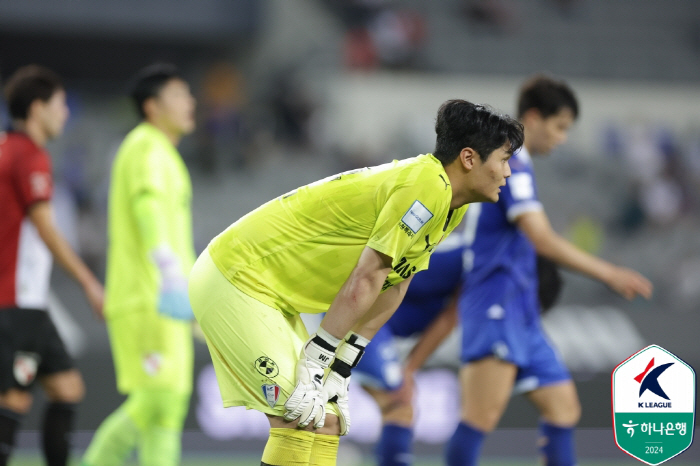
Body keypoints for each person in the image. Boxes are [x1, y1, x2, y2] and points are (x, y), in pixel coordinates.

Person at [188, 99, 524, 466]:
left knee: (328, 420)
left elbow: (396, 282)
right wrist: (318, 359)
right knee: (297, 416)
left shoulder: (452, 207)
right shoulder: (427, 185)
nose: (508, 172)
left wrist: (343, 363)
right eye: (503, 160)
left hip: (271, 295)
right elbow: (368, 275)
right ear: (469, 158)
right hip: (237, 277)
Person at [445, 75, 654, 466]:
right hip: (494, 304)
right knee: (480, 417)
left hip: (522, 311)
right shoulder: (509, 167)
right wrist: (608, 273)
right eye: (559, 127)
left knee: (563, 410)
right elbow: (541, 238)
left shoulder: (520, 167)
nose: (562, 139)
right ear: (534, 118)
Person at [81, 63, 197, 466]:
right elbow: (146, 206)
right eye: (179, 95)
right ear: (152, 106)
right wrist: (168, 272)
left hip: (170, 299)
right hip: (148, 296)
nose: (190, 102)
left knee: (168, 410)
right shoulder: (146, 146)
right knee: (157, 400)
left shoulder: (165, 154)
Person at [0, 65, 104, 466]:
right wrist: (89, 283)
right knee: (13, 398)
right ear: (37, 107)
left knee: (67, 388)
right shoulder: (29, 154)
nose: (65, 113)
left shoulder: (7, 148)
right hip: (17, 301)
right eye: (60, 105)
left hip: (28, 303)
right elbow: (46, 230)